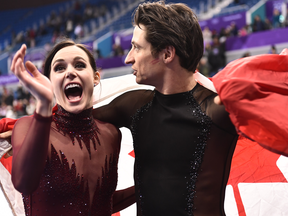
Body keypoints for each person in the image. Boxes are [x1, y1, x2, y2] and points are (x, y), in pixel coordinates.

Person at [92, 2, 238, 215]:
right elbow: (70, 122)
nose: (128, 58)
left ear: (167, 54)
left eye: (137, 47)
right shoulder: (133, 106)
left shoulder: (219, 110)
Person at [9, 40, 135, 215]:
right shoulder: (27, 126)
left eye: (79, 65)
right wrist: (44, 105)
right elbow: (24, 183)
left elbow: (103, 202)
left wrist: (147, 184)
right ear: (50, 81)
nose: (70, 72)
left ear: (96, 77)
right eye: (59, 68)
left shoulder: (111, 134)